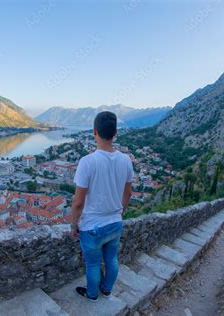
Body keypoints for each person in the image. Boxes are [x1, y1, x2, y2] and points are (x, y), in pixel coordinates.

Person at [71, 111, 134, 302]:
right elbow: (128, 194)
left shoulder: (87, 162)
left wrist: (74, 224)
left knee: (92, 265)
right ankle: (106, 289)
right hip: (115, 222)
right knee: (112, 259)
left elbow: (78, 202)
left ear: (94, 132)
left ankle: (92, 294)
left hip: (92, 226)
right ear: (115, 133)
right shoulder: (126, 160)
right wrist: (120, 212)